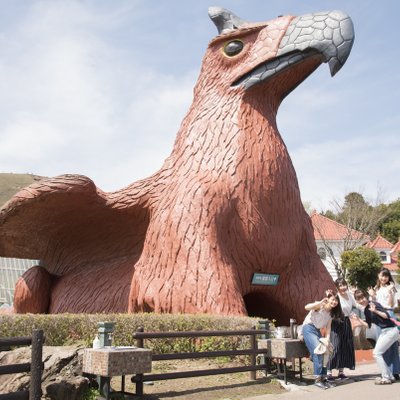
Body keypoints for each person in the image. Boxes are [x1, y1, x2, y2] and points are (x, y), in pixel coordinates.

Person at [352, 289, 400, 385]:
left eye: (362, 297)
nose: (361, 300)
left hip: (391, 330)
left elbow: (386, 315)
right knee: (378, 353)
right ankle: (389, 376)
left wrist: (375, 311)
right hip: (385, 332)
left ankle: (386, 377)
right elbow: (368, 326)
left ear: (366, 296)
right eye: (358, 299)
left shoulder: (374, 304)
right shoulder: (366, 310)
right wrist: (358, 319)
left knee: (377, 353)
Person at [302, 292, 342, 389]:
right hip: (308, 328)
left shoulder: (331, 313)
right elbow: (306, 307)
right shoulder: (320, 306)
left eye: (336, 300)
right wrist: (319, 303)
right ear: (328, 299)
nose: (334, 302)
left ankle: (324, 378)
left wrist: (327, 339)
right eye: (332, 299)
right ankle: (318, 379)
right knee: (318, 350)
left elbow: (328, 327)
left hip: (317, 330)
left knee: (325, 351)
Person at [368, 267, 400, 380]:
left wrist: (391, 292)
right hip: (378, 316)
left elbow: (391, 305)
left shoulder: (391, 287)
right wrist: (372, 295)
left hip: (388, 314)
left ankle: (395, 371)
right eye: (382, 275)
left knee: (393, 346)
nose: (384, 278)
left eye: (386, 276)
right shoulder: (375, 289)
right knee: (382, 345)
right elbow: (374, 304)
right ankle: (387, 372)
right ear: (378, 275)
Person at [326, 278, 356, 380]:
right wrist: (328, 296)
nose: (343, 287)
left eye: (344, 285)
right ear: (337, 287)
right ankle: (328, 371)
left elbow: (355, 306)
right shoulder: (336, 296)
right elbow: (330, 305)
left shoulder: (350, 296)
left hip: (346, 322)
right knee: (335, 346)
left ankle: (341, 372)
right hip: (335, 322)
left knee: (345, 346)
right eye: (340, 285)